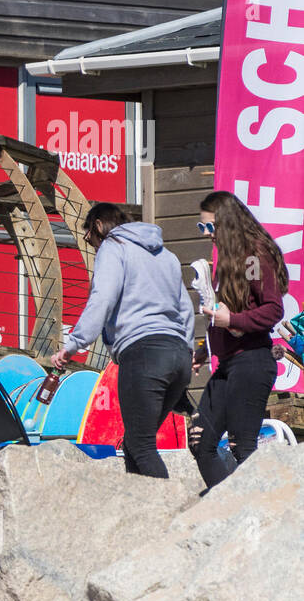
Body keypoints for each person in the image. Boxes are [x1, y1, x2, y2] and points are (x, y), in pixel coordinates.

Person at [53, 202, 194, 479]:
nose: (89, 243)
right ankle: (142, 512)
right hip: (178, 354)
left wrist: (73, 344)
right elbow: (186, 309)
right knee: (135, 443)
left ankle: (163, 513)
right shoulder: (166, 255)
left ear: (98, 226)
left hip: (143, 354)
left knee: (140, 445)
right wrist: (188, 351)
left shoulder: (113, 247)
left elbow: (103, 298)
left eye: (88, 236)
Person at [190, 191, 287, 490]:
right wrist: (204, 350)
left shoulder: (253, 257)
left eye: (209, 227)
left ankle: (257, 517)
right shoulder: (230, 261)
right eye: (201, 227)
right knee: (200, 440)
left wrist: (232, 320)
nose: (207, 234)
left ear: (227, 224)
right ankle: (226, 511)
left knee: (243, 448)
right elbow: (227, 311)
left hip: (252, 361)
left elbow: (273, 309)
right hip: (230, 363)